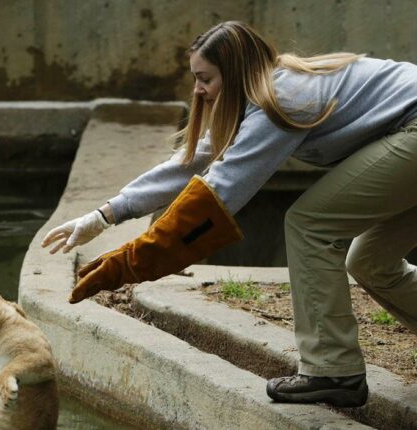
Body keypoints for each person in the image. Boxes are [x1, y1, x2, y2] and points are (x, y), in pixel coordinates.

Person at [41, 21, 417, 408]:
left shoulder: (281, 99)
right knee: (370, 261)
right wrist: (103, 216)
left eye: (205, 78)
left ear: (234, 73)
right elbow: (190, 163)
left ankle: (333, 371)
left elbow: (220, 193)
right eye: (195, 78)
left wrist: (131, 263)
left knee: (311, 226)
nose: (197, 90)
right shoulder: (267, 91)